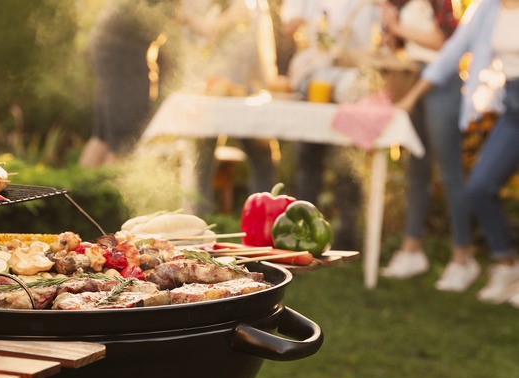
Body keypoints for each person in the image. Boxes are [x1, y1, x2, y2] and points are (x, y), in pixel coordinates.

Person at [396, 0, 519, 305]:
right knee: (479, 187)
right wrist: (412, 97)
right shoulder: (487, 8)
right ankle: (507, 266)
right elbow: (450, 54)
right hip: (513, 108)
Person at [378, 0, 480, 292]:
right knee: (416, 170)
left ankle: (463, 257)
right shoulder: (404, 3)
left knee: (450, 174)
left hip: (442, 84)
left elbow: (443, 42)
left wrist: (399, 27)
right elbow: (397, 45)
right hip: (411, 79)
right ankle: (412, 251)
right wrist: (390, 26)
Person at [280, 0, 380, 250]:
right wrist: (297, 23)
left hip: (352, 85)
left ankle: (348, 239)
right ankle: (302, 235)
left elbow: (379, 34)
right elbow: (289, 20)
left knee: (348, 167)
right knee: (308, 162)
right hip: (313, 81)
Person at [176, 0, 279, 214]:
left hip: (244, 93)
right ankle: (196, 225)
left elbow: (262, 48)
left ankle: (264, 218)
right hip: (207, 91)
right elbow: (201, 40)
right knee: (200, 163)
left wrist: (267, 83)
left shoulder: (253, 4)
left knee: (263, 157)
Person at [78, 0, 176, 168]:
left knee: (102, 136)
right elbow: (201, 28)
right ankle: (109, 193)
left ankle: (80, 193)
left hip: (108, 47)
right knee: (123, 143)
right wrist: (232, 16)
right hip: (123, 58)